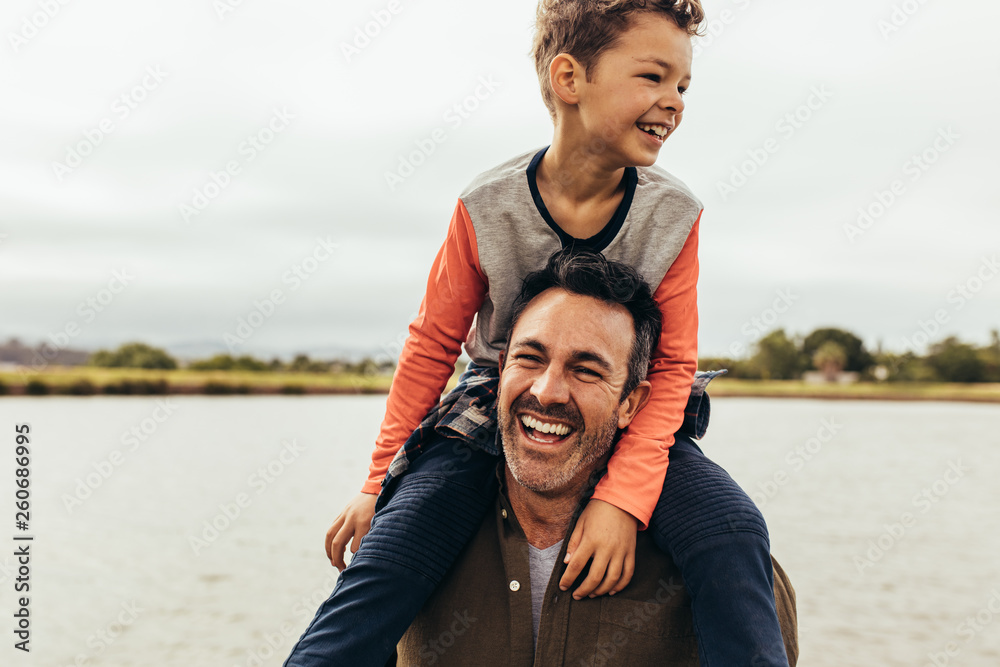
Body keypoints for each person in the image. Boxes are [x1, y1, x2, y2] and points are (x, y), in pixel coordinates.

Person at [286, 1, 788, 665]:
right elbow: (433, 344)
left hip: (635, 409)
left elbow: (669, 369)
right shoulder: (485, 206)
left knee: (732, 527)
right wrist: (381, 480)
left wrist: (621, 500)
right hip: (492, 403)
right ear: (570, 79)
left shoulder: (675, 214)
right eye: (653, 77)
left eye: (683, 85)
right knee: (395, 548)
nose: (674, 101)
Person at [394, 249, 798, 665]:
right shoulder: (408, 543)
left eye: (586, 370)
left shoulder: (722, 565)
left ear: (631, 403)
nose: (547, 392)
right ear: (499, 370)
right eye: (530, 358)